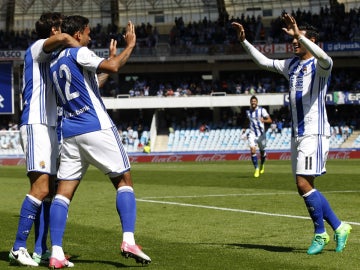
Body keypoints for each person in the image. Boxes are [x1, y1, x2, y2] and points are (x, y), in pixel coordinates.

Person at [232, 13, 352, 255]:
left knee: (303, 183)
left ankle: (321, 233)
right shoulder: (292, 65)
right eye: (294, 39)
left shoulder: (321, 67)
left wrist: (300, 34)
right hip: (296, 134)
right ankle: (340, 227)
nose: (294, 42)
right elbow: (264, 63)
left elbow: (325, 56)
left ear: (313, 41)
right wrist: (244, 42)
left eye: (299, 39)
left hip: (314, 132)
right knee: (306, 186)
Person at [48, 15, 151, 268]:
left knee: (63, 193)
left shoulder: (54, 62)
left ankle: (56, 253)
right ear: (78, 35)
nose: (90, 37)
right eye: (88, 32)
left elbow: (93, 83)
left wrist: (110, 57)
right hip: (96, 127)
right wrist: (130, 47)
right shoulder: (79, 51)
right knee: (124, 180)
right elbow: (113, 68)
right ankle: (128, 239)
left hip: (70, 132)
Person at [9, 13, 79, 267]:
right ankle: (18, 248)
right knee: (40, 188)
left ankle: (42, 250)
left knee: (48, 191)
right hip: (35, 125)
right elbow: (61, 38)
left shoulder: (52, 60)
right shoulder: (38, 47)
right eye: (61, 29)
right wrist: (77, 38)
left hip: (50, 128)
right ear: (53, 29)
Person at [245, 95, 272, 178]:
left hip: (261, 134)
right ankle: (256, 168)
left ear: (257, 102)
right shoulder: (248, 112)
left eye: (254, 101)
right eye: (252, 101)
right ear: (250, 102)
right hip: (252, 134)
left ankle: (262, 164)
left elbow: (270, 120)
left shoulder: (262, 110)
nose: (253, 103)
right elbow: (248, 121)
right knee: (253, 150)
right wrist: (244, 128)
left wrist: (264, 120)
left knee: (262, 152)